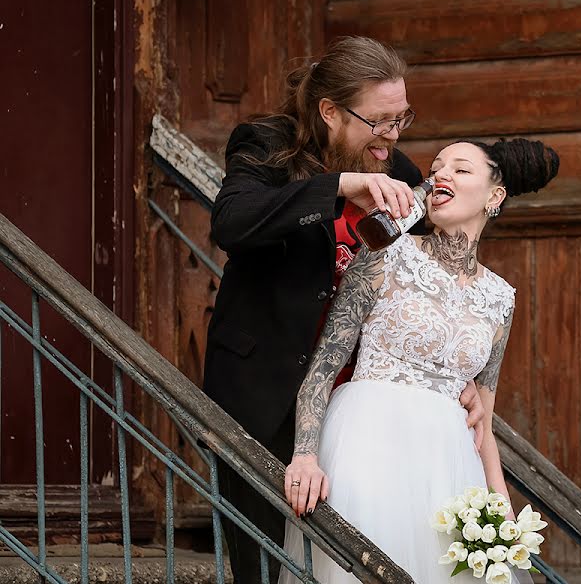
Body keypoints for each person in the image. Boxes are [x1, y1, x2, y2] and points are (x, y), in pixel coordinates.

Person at [202, 37, 486, 584]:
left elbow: (436, 277)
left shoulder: (398, 168)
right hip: (264, 394)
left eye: (402, 118)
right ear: (330, 111)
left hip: (356, 408)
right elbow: (231, 222)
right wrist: (338, 187)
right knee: (262, 561)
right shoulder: (267, 143)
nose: (394, 136)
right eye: (380, 121)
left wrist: (460, 372)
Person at [280, 137, 560, 583]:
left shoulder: (500, 298)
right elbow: (323, 367)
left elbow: (483, 416)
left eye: (461, 169)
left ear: (495, 195)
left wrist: (500, 505)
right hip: (366, 443)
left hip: (447, 468)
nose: (441, 174)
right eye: (438, 166)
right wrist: (305, 456)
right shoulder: (384, 255)